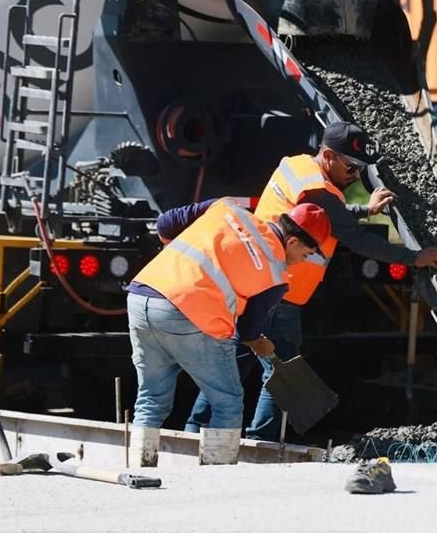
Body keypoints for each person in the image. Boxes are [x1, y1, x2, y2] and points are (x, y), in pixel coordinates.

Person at [186, 120, 437, 440]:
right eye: (351, 168)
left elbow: (324, 215)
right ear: (327, 155)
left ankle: (194, 432)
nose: (354, 176)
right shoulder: (317, 188)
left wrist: (365, 210)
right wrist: (413, 257)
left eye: (360, 170)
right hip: (280, 293)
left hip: (256, 284)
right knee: (282, 372)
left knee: (233, 367)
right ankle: (262, 442)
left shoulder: (297, 167)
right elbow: (353, 237)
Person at [126, 198, 331, 466]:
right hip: (188, 314)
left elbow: (165, 223)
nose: (301, 262)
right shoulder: (275, 276)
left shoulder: (227, 208)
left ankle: (140, 469)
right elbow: (247, 331)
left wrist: (178, 267)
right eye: (305, 255)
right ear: (292, 242)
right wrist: (259, 344)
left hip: (142, 295)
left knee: (152, 397)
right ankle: (216, 478)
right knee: (227, 403)